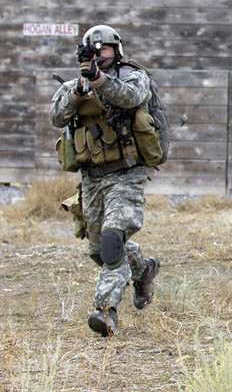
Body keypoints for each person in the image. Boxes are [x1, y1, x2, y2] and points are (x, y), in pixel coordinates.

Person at [50, 25, 161, 336]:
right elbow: (56, 117)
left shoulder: (132, 76)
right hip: (92, 180)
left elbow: (131, 97)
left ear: (117, 50)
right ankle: (143, 271)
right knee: (99, 252)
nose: (99, 56)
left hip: (127, 174)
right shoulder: (77, 85)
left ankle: (105, 311)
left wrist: (99, 79)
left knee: (112, 243)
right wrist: (77, 94)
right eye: (93, 53)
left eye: (105, 50)